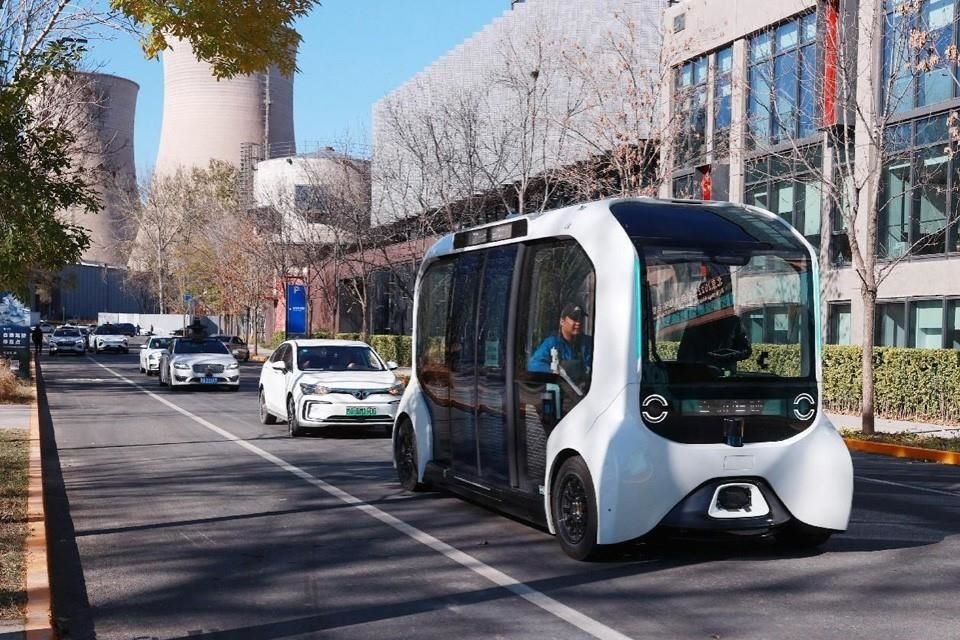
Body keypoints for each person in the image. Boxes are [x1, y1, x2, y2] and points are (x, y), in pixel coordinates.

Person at [527, 302, 593, 377]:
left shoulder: (588, 343)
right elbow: (534, 365)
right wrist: (554, 372)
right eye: (574, 318)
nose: (578, 323)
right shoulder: (552, 343)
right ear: (562, 321)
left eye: (581, 319)